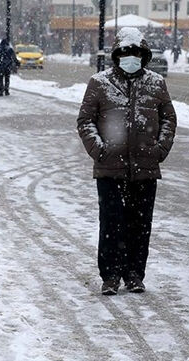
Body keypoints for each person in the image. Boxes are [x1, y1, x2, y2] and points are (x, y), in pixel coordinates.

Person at [77, 27, 177, 296]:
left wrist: (159, 150)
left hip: (145, 168)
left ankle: (134, 274)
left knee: (140, 224)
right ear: (117, 54)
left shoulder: (156, 83)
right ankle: (110, 275)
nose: (130, 57)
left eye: (135, 53)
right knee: (111, 224)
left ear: (143, 55)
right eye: (125, 52)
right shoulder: (99, 83)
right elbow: (85, 121)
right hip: (110, 168)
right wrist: (99, 150)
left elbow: (168, 118)